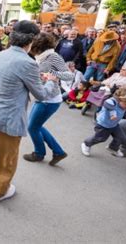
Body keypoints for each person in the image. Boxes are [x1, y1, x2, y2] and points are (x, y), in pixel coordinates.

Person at [0, 21, 58, 202]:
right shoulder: (28, 63)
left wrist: (34, 78)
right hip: (9, 116)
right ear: (31, 41)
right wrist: (51, 81)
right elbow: (40, 95)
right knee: (8, 156)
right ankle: (1, 189)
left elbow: (9, 78)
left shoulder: (0, 54)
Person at [23, 33, 73, 165]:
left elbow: (69, 76)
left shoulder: (53, 56)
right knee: (35, 126)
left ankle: (39, 153)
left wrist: (52, 75)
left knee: (32, 127)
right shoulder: (40, 57)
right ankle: (58, 152)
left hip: (49, 99)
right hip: (42, 97)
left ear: (39, 45)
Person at [81, 88, 126, 157]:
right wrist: (113, 114)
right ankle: (86, 144)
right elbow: (107, 104)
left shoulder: (125, 106)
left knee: (121, 137)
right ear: (120, 99)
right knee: (100, 138)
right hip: (103, 125)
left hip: (114, 125)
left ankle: (113, 148)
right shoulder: (112, 102)